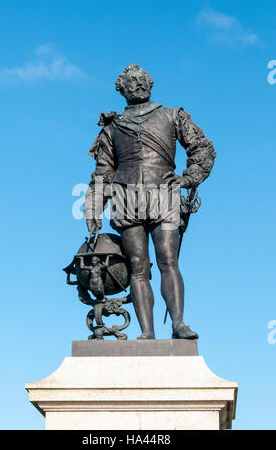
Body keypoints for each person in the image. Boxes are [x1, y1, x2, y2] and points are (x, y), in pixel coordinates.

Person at [84, 63, 216, 340]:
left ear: (150, 84)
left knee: (168, 261)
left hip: (164, 195)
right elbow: (103, 171)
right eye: (132, 81)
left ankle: (178, 324)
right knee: (137, 266)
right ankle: (147, 333)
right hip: (126, 197)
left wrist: (189, 177)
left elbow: (202, 147)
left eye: (143, 80)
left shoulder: (172, 115)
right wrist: (93, 207)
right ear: (122, 89)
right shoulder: (113, 127)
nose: (139, 84)